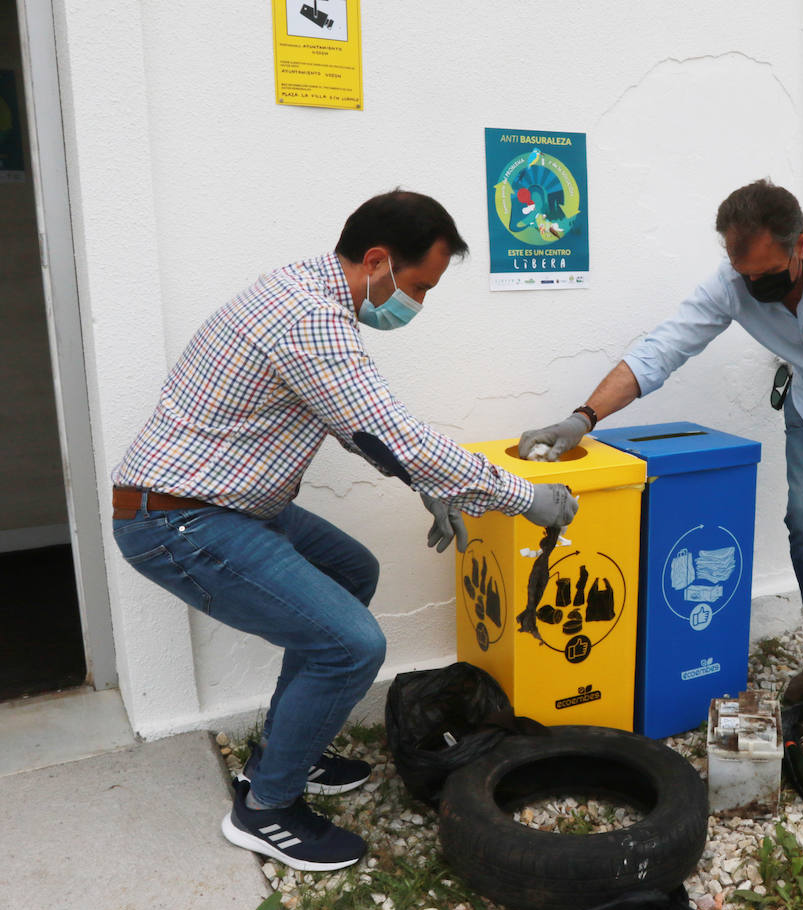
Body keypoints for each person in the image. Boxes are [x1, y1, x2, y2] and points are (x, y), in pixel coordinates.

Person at [110, 190, 578, 871]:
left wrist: (430, 486)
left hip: (222, 502)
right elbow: (396, 434)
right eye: (418, 287)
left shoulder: (306, 293)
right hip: (177, 517)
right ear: (378, 260)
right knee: (352, 644)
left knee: (351, 571)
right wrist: (524, 498)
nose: (417, 304)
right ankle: (265, 808)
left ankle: (284, 751)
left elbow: (357, 427)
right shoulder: (310, 320)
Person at [518, 179, 803, 713]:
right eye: (744, 273)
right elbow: (662, 350)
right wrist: (583, 417)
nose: (754, 284)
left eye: (766, 273)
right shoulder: (734, 280)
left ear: (799, 245)